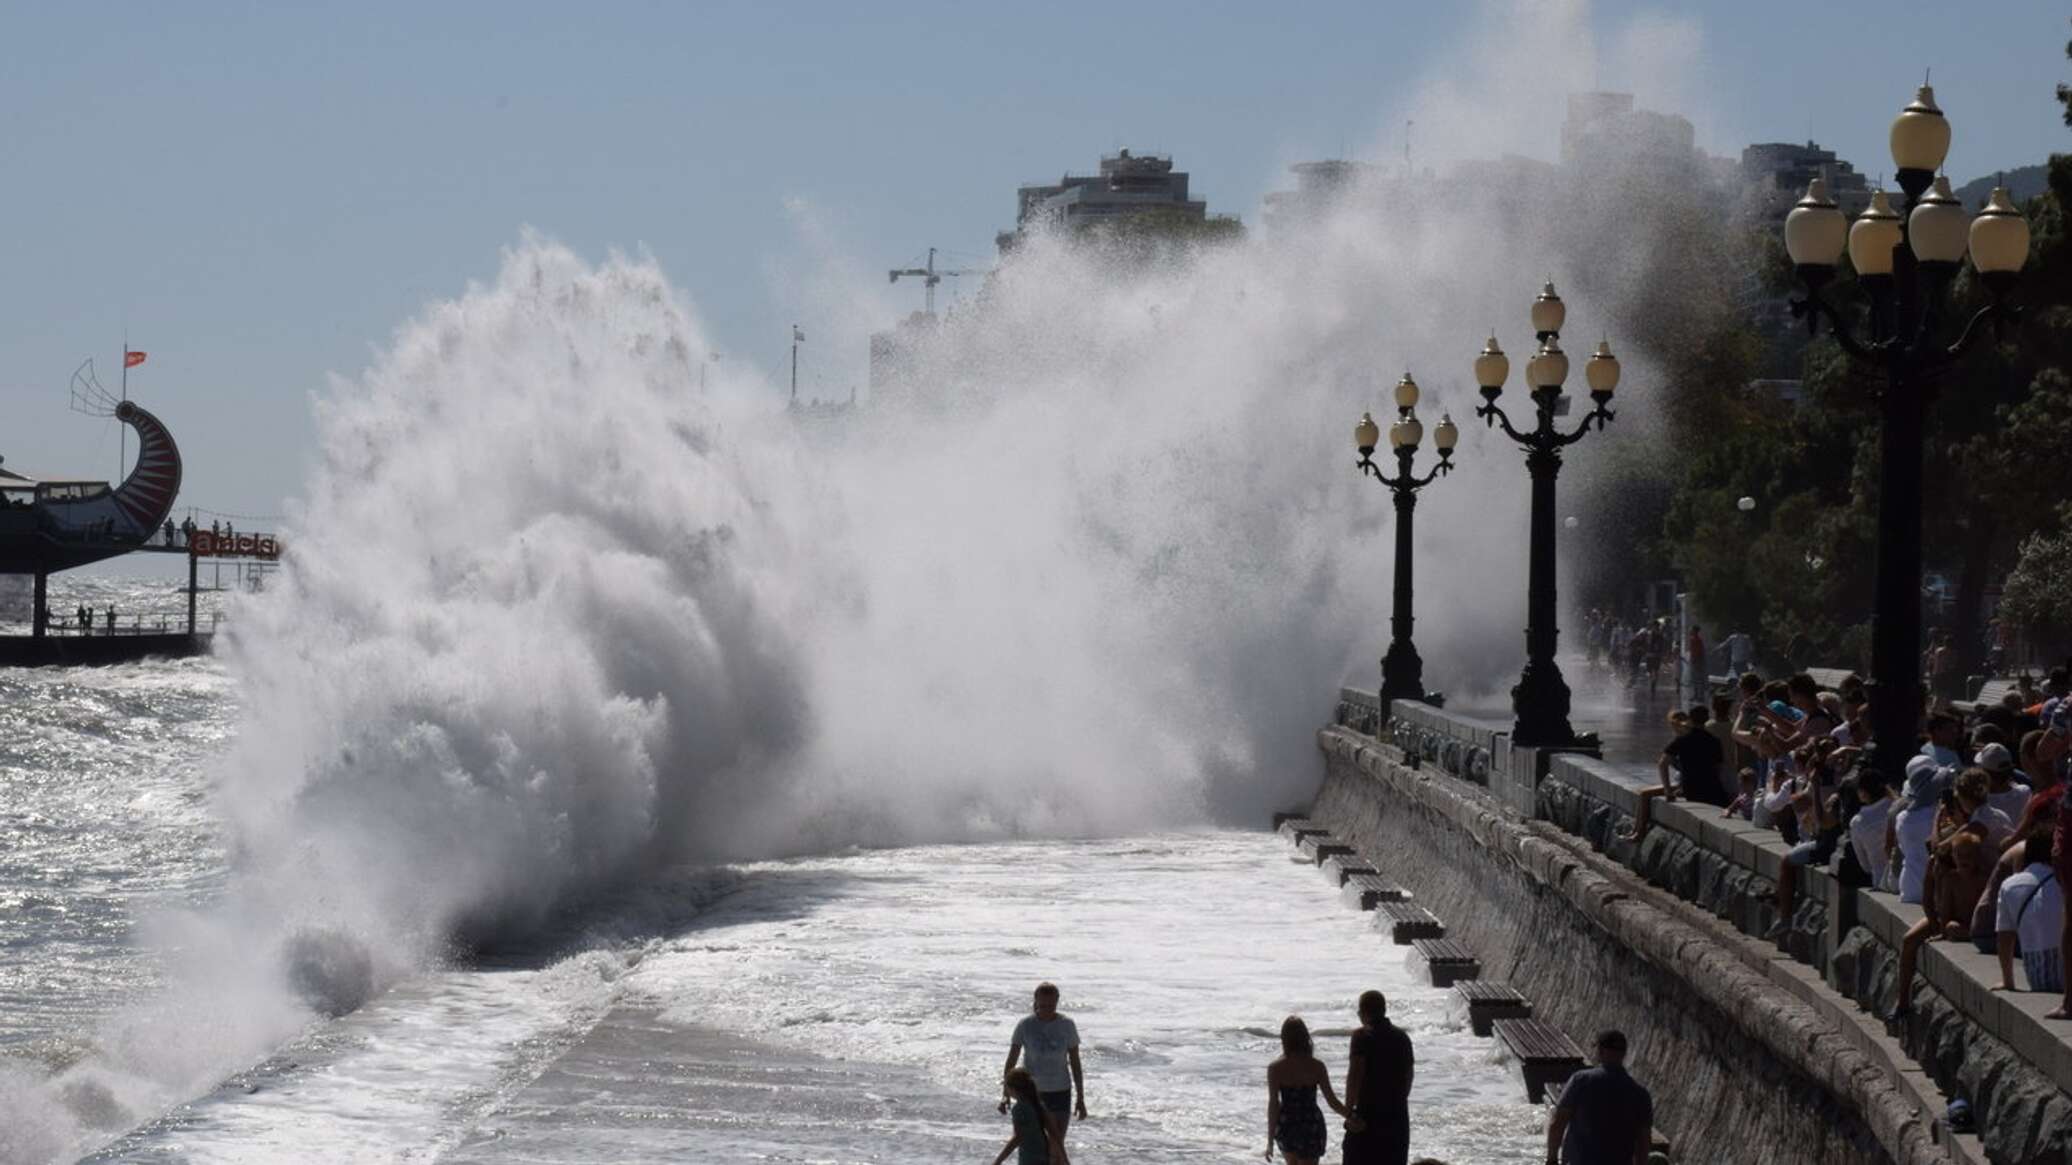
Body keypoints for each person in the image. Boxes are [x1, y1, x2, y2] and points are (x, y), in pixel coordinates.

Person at [1545, 1030, 1652, 1165]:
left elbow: (1558, 1122)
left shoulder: (1581, 1080)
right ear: (1624, 1054)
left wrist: (1552, 1159)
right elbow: (1643, 1142)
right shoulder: (1640, 1094)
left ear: (1600, 1051)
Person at [1000, 983, 1086, 1143]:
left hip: (1060, 1091)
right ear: (1036, 1002)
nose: (1047, 1009)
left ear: (1057, 1001)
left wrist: (1080, 1098)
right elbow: (1011, 1061)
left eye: (1051, 1005)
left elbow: (1075, 1063)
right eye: (1043, 1005)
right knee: (1032, 1143)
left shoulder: (1067, 1025)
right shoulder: (1025, 1025)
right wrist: (1005, 1094)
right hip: (1031, 1093)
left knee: (1056, 1145)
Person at [1265, 1016, 1357, 1165]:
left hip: (1287, 1123)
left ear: (1284, 1039)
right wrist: (1350, 1116)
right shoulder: (1317, 1066)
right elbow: (1332, 1100)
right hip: (1310, 1123)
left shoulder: (1275, 1068)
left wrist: (1269, 1140)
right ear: (1305, 1037)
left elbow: (1274, 1104)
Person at [1343, 990, 1412, 1165]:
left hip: (1367, 1114)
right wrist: (1397, 1101)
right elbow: (1409, 1076)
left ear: (1363, 1012)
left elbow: (1355, 1075)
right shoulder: (1402, 1037)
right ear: (1384, 1010)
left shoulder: (1361, 1036)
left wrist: (1349, 1112)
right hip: (1397, 1116)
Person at [1997, 835, 2064, 994]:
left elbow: (2005, 937)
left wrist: (2008, 981)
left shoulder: (2009, 885)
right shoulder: (2064, 880)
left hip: (2038, 978)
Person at [994, 1067, 1069, 1165]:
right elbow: (1054, 1134)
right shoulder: (1037, 1105)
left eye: (1007, 1088)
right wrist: (1065, 1159)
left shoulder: (1019, 1109)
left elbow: (1018, 1137)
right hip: (1043, 1155)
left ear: (1013, 1088)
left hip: (1029, 1157)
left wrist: (998, 1160)